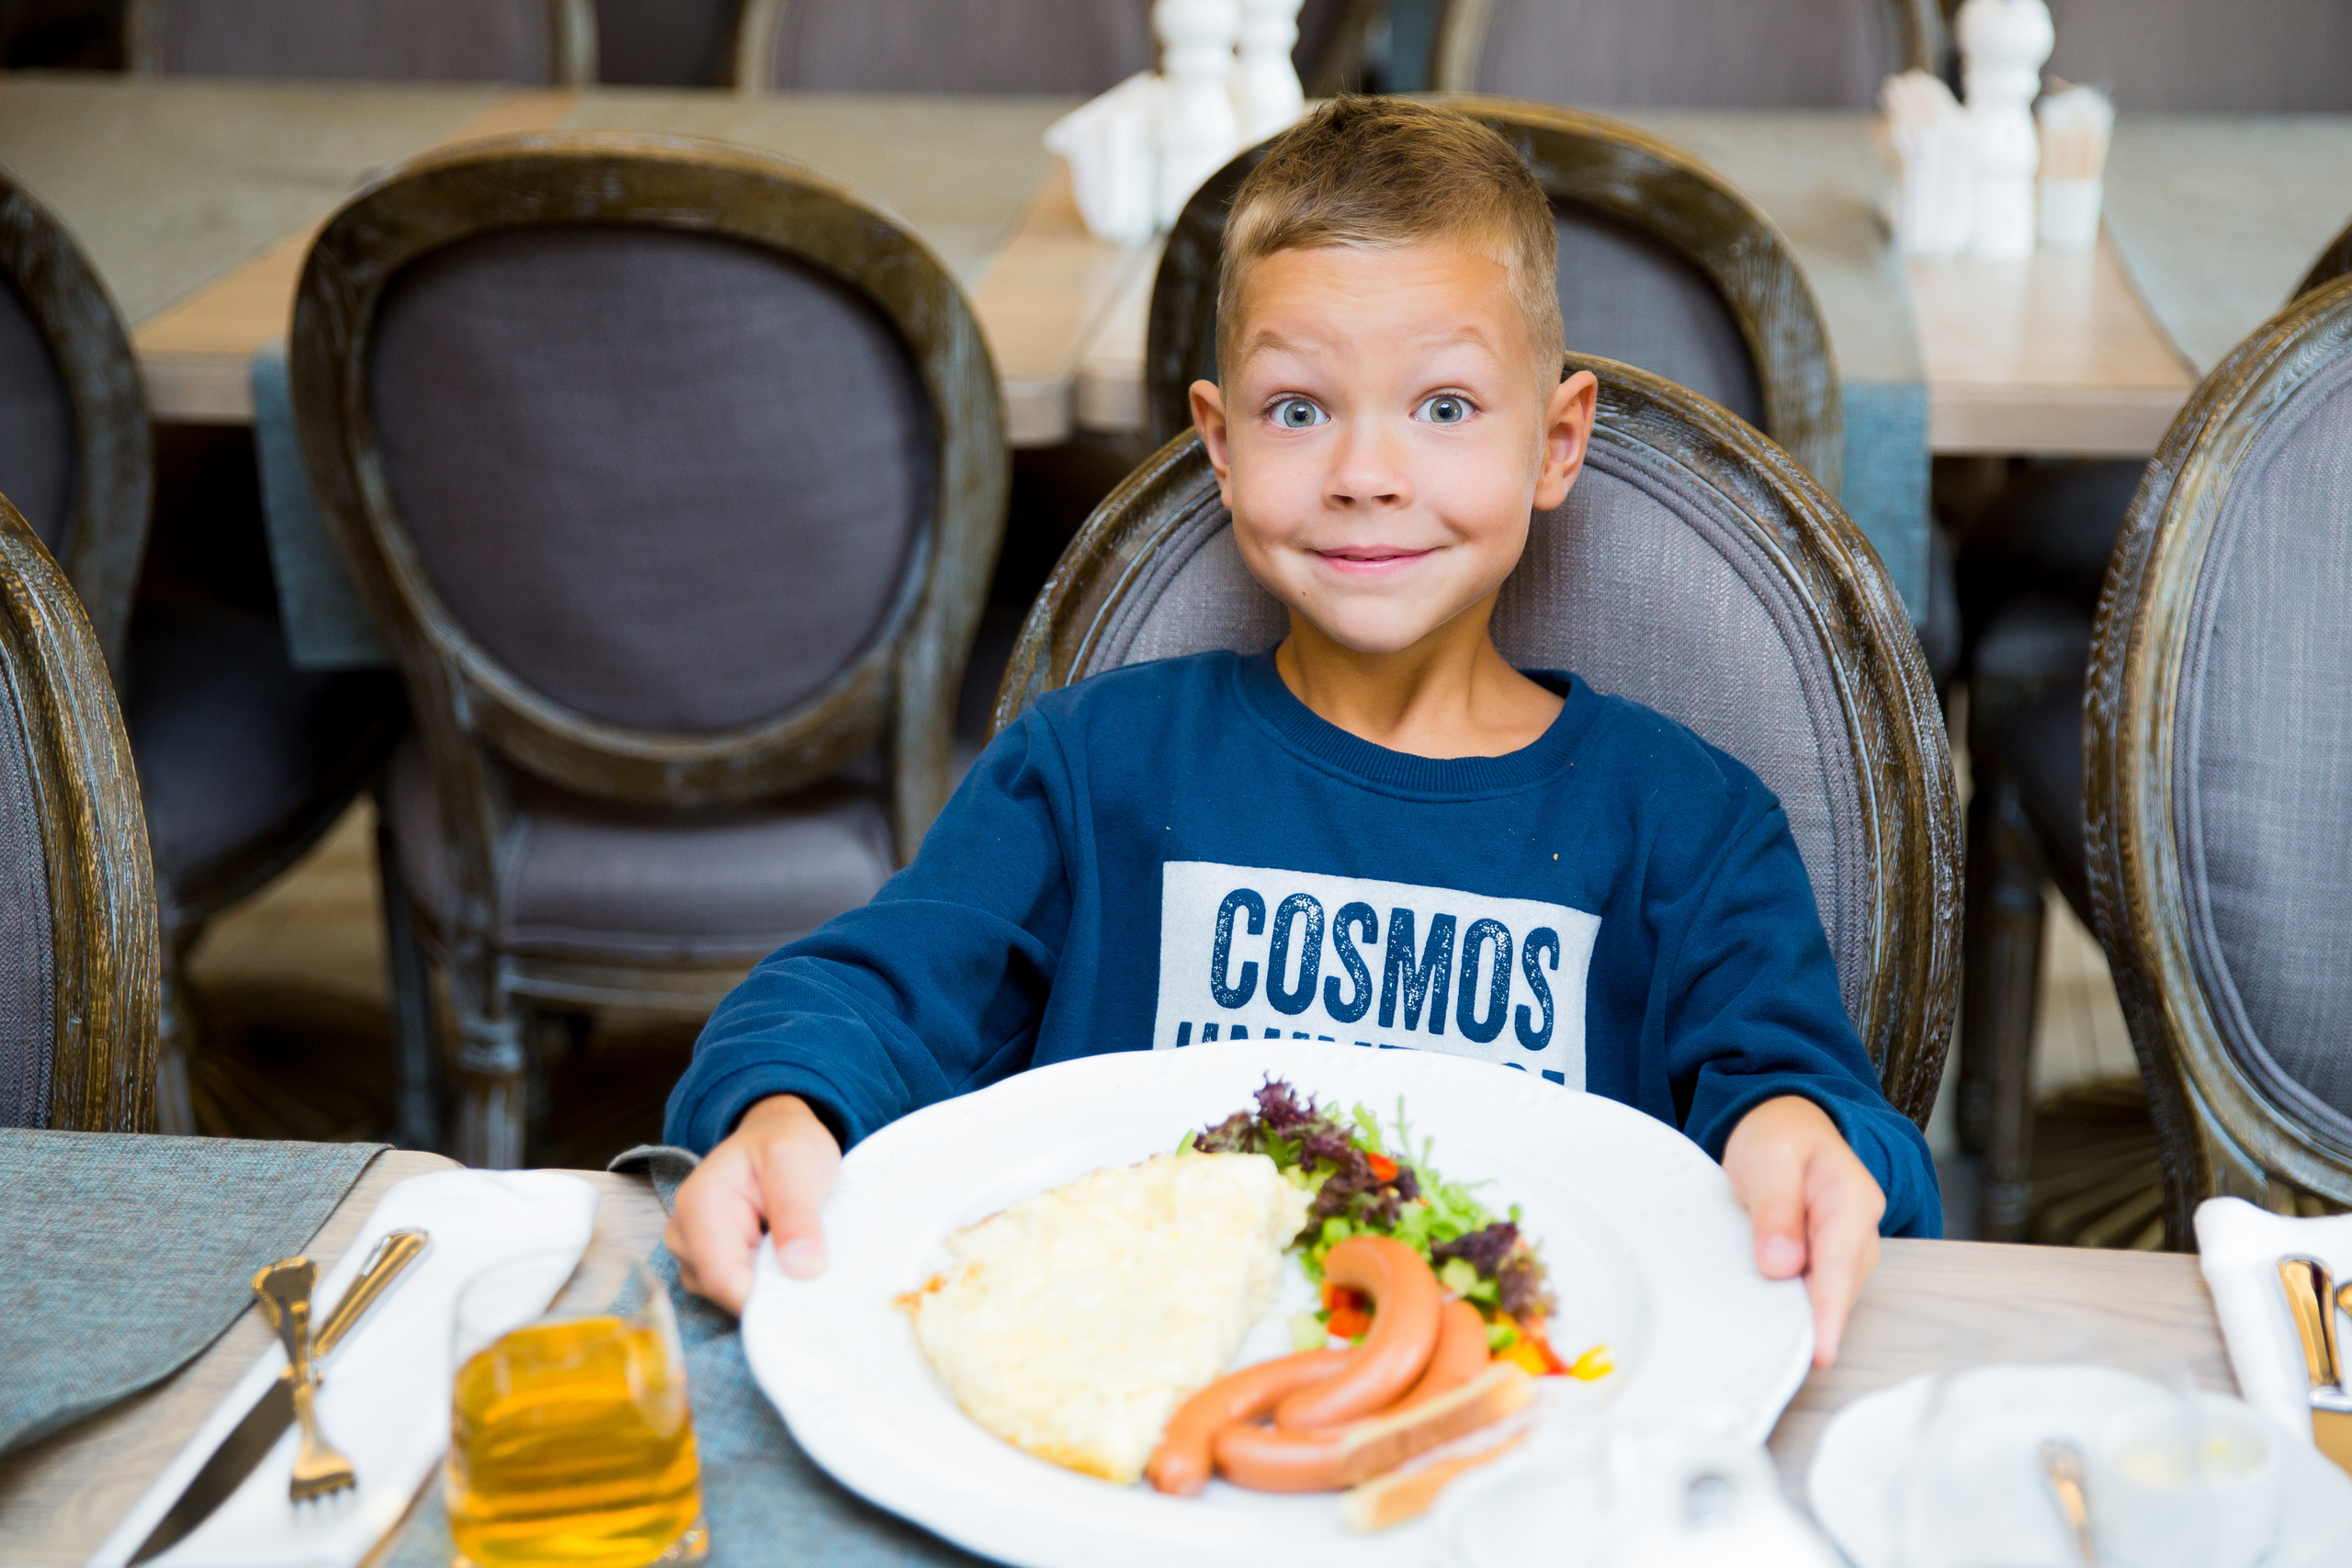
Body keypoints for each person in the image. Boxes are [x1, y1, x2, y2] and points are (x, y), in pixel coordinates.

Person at [662, 96, 1939, 1366]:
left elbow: (1827, 1118)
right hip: (1133, 1407)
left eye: (1444, 407)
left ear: (1555, 444)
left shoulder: (1687, 824)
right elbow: (858, 998)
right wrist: (783, 1109)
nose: (1364, 473)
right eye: (1298, 410)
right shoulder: (1089, 768)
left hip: (1519, 1434)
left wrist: (1795, 1133)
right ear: (1217, 444)